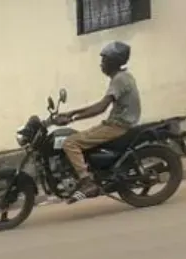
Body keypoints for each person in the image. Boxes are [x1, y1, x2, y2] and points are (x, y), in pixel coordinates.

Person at [57, 41, 140, 198]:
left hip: (117, 126)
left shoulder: (119, 80)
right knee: (78, 138)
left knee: (70, 142)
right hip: (115, 124)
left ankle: (87, 182)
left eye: (104, 60)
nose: (101, 64)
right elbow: (100, 104)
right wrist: (71, 113)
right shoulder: (124, 76)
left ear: (113, 62)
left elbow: (101, 107)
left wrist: (72, 119)